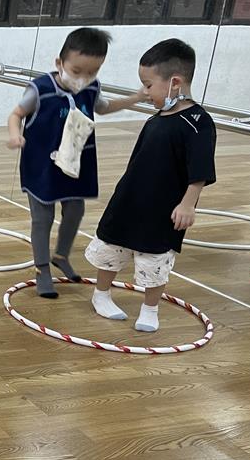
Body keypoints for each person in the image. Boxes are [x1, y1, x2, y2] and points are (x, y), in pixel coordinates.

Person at [85, 39, 216, 332]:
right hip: (130, 199)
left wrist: (187, 204)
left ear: (175, 83)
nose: (145, 93)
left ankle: (150, 309)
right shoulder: (157, 119)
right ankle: (101, 295)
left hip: (164, 208)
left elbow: (200, 169)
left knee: (155, 259)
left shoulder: (198, 122)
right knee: (112, 247)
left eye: (148, 85)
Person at [7, 28, 143, 298]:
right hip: (42, 164)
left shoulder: (92, 88)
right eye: (77, 71)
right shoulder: (41, 89)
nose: (83, 78)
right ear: (60, 63)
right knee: (43, 218)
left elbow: (103, 107)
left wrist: (136, 98)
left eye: (92, 72)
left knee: (75, 210)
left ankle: (61, 255)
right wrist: (14, 134)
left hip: (75, 162)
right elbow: (17, 114)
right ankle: (42, 269)